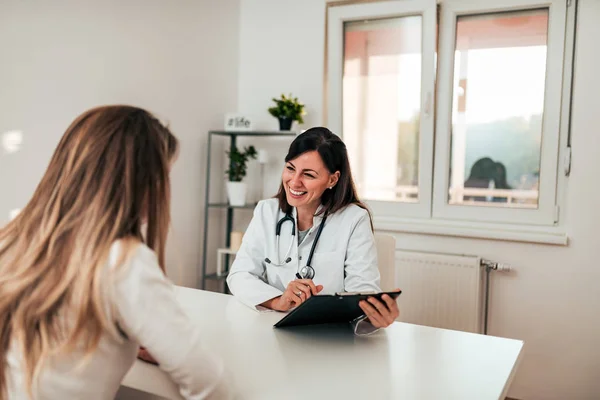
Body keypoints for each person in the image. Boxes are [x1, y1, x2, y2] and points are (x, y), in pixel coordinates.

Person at [0, 106, 230, 399]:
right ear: (139, 182)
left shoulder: (12, 241)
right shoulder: (124, 261)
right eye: (163, 176)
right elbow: (212, 385)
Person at [226, 127, 400, 334]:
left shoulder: (354, 219)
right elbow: (239, 274)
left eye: (308, 174)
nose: (295, 181)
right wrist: (278, 301)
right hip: (271, 330)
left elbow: (363, 291)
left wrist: (374, 316)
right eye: (291, 168)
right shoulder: (267, 211)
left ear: (332, 180)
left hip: (327, 336)